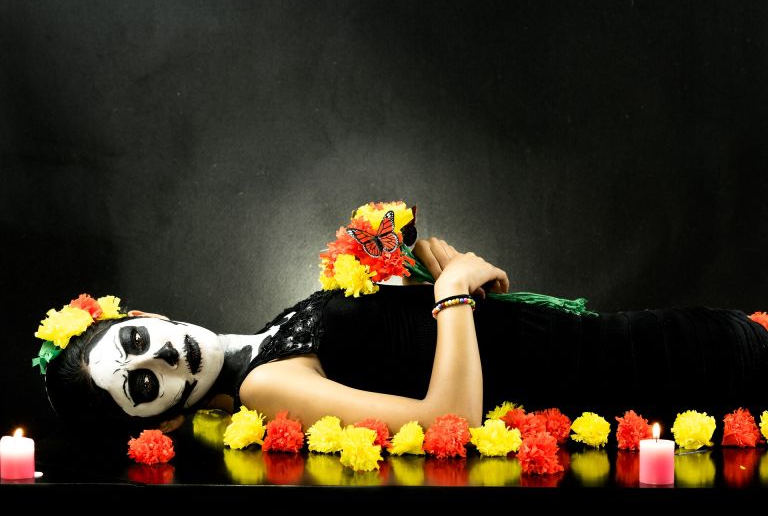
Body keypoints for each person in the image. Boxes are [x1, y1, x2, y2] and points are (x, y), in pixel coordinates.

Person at [37, 237, 768, 436]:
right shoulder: (264, 386)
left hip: (627, 344)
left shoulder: (267, 337)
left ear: (148, 318)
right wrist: (451, 298)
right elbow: (447, 421)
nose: (159, 357)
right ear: (163, 417)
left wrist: (444, 274)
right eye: (141, 384)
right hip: (638, 375)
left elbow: (425, 350)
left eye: (133, 342)